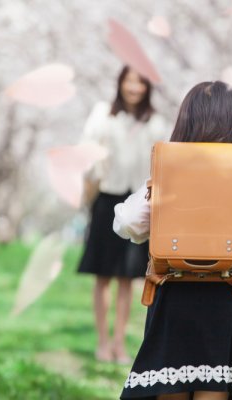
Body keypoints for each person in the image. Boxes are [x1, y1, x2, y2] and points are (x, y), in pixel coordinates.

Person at [113, 81, 232, 400]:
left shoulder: (166, 179)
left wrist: (155, 192)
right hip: (225, 301)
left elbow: (127, 223)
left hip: (174, 298)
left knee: (168, 386)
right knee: (215, 390)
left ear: (185, 124)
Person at [77, 66, 169, 363]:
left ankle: (119, 342)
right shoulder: (103, 114)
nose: (134, 87)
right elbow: (87, 150)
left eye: (139, 82)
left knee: (128, 277)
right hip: (106, 199)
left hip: (138, 203)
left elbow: (164, 159)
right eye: (129, 81)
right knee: (103, 275)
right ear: (120, 84)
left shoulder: (154, 122)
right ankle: (102, 341)